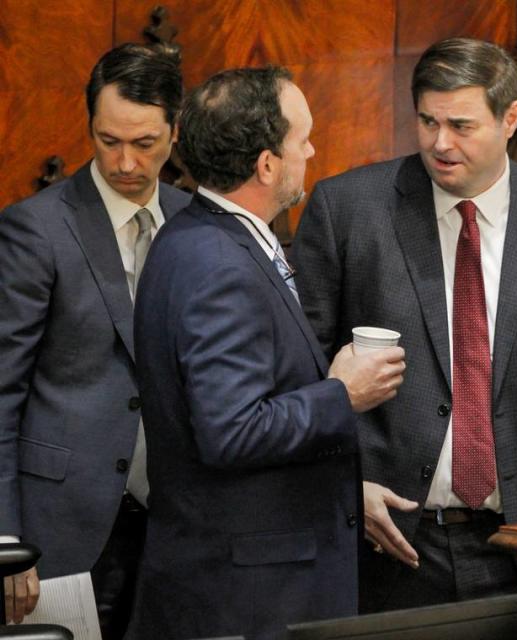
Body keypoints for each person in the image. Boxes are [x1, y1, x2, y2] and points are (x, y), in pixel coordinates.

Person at [292, 37, 517, 610]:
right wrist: (339, 487)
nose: (440, 143)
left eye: (461, 125)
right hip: (389, 538)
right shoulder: (349, 208)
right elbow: (297, 370)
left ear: (510, 118)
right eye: (428, 121)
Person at [126, 67, 405, 640]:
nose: (311, 149)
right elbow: (231, 431)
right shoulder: (217, 263)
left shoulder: (203, 236)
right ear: (266, 163)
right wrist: (342, 394)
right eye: (300, 138)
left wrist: (341, 488)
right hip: (245, 597)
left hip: (241, 574)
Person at [0, 43, 187, 636]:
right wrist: (6, 541)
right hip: (60, 523)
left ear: (175, 131)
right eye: (108, 141)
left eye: (145, 143)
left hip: (174, 525)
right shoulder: (36, 228)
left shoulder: (195, 222)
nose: (125, 162)